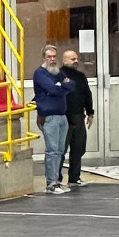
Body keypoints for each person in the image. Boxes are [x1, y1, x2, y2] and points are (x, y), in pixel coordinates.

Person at [33, 45, 72, 195]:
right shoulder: (40, 74)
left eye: (54, 56)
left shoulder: (58, 72)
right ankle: (51, 184)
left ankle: (57, 180)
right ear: (44, 57)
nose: (52, 59)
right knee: (52, 151)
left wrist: (62, 85)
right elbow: (53, 89)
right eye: (49, 57)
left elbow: (72, 85)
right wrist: (62, 86)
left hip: (62, 115)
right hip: (49, 117)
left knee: (60, 150)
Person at [59, 48, 94, 189]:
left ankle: (74, 177)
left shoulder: (80, 76)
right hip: (63, 116)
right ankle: (56, 179)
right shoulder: (58, 75)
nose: (76, 61)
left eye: (76, 59)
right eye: (72, 59)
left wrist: (90, 112)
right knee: (61, 149)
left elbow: (87, 94)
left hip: (78, 115)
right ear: (64, 60)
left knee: (78, 148)